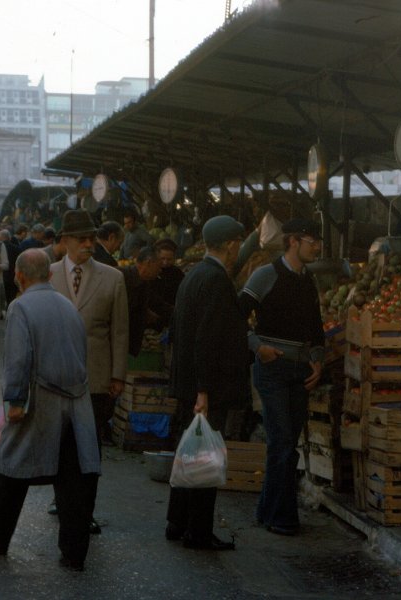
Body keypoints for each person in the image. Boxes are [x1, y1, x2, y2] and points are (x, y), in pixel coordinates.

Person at [0, 249, 100, 571]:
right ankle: (74, 554)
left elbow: (17, 359)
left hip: (41, 401)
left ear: (18, 275)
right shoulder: (69, 307)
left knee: (9, 470)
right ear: (50, 275)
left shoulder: (20, 307)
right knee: (73, 479)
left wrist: (14, 401)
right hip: (77, 403)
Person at [237, 218, 325, 536]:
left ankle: (267, 511)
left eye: (319, 242)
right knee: (283, 442)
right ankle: (283, 518)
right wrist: (257, 346)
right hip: (272, 368)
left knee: (286, 444)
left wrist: (317, 359)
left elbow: (315, 327)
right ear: (292, 241)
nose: (317, 247)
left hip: (300, 371)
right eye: (311, 240)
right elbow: (236, 315)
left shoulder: (308, 280)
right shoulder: (266, 275)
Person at [166, 215, 248, 551]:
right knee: (204, 458)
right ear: (230, 245)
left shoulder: (193, 276)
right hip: (205, 388)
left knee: (188, 454)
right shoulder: (216, 280)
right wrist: (204, 389)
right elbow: (207, 339)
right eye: (239, 243)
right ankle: (197, 532)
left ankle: (177, 522)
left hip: (189, 384)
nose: (239, 249)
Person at [51, 210, 129, 448]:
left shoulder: (113, 278)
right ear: (65, 240)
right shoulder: (47, 275)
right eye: (81, 239)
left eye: (91, 238)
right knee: (59, 445)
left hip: (95, 378)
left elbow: (120, 330)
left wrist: (117, 374)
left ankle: (86, 485)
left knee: (89, 446)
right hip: (54, 377)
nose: (88, 244)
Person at [120, 246, 172, 357]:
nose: (160, 270)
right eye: (158, 266)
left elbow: (159, 304)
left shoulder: (144, 283)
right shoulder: (120, 277)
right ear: (148, 263)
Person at [151, 238, 184, 307]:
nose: (165, 262)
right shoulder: (151, 272)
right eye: (162, 258)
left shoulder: (177, 273)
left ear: (174, 258)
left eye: (169, 259)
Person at [0, 229, 20, 303]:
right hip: (13, 277)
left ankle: (0, 314)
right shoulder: (17, 248)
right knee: (11, 298)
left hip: (1, 277)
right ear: (9, 238)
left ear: (0, 238)